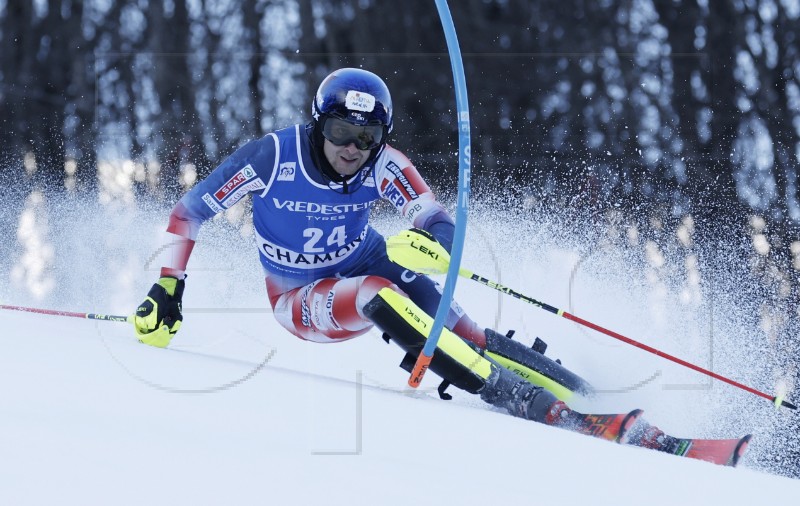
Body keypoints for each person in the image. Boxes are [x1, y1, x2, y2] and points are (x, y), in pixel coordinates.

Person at [132, 68, 620, 434]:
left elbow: (433, 216)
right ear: (319, 125)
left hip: (369, 258)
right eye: (341, 131)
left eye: (366, 137)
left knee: (463, 329)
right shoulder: (273, 156)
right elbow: (189, 211)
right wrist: (168, 284)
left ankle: (593, 396)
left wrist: (441, 244)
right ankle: (521, 398)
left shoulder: (382, 164)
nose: (352, 148)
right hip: (300, 298)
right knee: (375, 293)